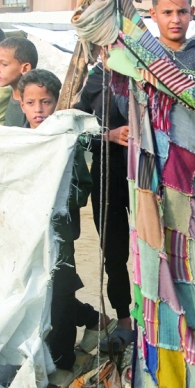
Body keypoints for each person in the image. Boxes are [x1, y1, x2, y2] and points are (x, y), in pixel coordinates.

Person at [16, 69, 106, 388]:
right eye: (31, 102)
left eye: (45, 102)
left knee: (60, 289)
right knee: (41, 290)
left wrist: (58, 203)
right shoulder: (18, 138)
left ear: (57, 103)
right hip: (29, 232)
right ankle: (91, 317)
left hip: (61, 230)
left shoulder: (67, 140)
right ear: (20, 102)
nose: (38, 109)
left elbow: (81, 184)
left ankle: (63, 362)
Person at [73, 65, 135, 352]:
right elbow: (74, 130)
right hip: (106, 174)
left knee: (156, 250)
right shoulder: (90, 78)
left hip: (147, 173)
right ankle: (125, 321)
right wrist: (108, 136)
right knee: (114, 252)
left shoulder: (148, 67)